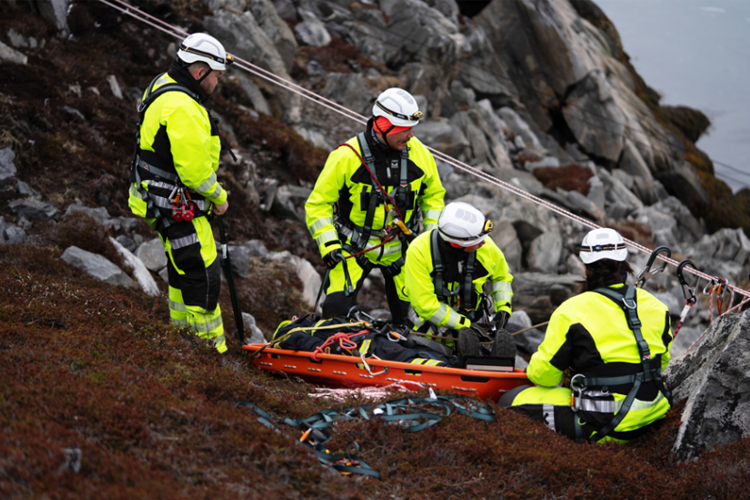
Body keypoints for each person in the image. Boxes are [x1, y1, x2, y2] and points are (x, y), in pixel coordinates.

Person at [500, 228, 673, 442]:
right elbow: (662, 362)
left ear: (585, 268)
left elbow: (544, 376)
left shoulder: (571, 310)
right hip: (653, 416)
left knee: (510, 400)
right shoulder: (657, 306)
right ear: (624, 263)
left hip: (608, 425)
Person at [128, 33, 234, 354]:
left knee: (181, 269)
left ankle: (180, 339)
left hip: (153, 198)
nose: (218, 81)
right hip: (177, 205)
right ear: (199, 71)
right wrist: (219, 197)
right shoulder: (184, 108)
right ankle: (209, 355)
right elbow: (195, 173)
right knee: (202, 277)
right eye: (216, 74)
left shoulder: (163, 84)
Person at [305, 88, 445, 324]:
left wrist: (428, 242)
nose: (411, 136)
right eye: (404, 130)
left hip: (402, 249)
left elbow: (433, 197)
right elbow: (318, 204)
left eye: (412, 129)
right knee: (335, 311)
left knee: (418, 320)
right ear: (381, 124)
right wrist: (328, 245)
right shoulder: (346, 155)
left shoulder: (420, 154)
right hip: (354, 248)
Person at [403, 201, 514, 358]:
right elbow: (426, 305)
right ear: (457, 244)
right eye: (478, 241)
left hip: (474, 325)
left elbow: (501, 277)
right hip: (431, 330)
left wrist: (503, 310)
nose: (484, 242)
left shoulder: (486, 246)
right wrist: (467, 325)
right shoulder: (419, 251)